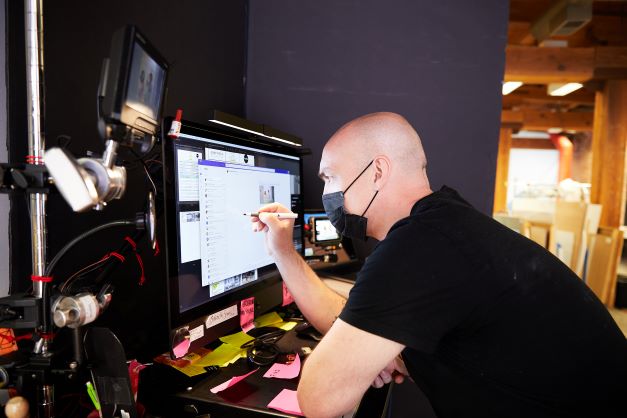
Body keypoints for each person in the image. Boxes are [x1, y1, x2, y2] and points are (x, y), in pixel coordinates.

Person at [251, 112, 627, 418]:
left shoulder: (418, 245)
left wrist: (359, 360)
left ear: (377, 172)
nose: (327, 192)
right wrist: (283, 251)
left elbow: (318, 400)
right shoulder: (444, 225)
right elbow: (349, 320)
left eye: (331, 177)